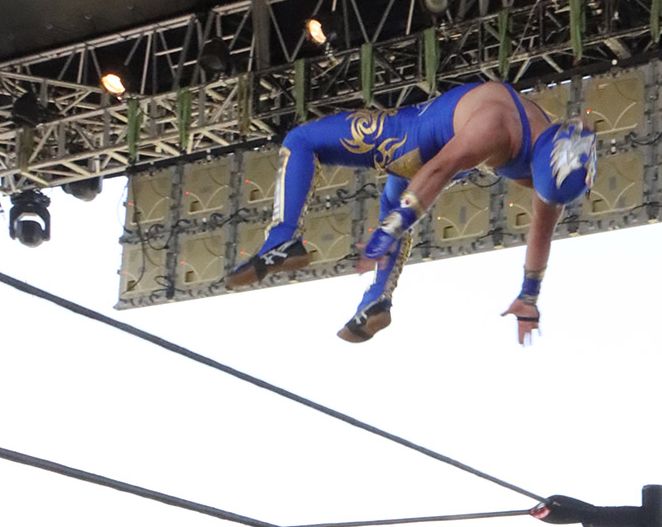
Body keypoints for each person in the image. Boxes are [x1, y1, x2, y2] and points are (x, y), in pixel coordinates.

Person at [224, 81, 597, 343]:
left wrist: (388, 232)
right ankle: (376, 300)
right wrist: (528, 298)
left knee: (301, 140)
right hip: (429, 161)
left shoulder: (525, 133)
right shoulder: (523, 144)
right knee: (394, 202)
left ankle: (283, 239)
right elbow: (539, 234)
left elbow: (437, 170)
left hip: (408, 141)